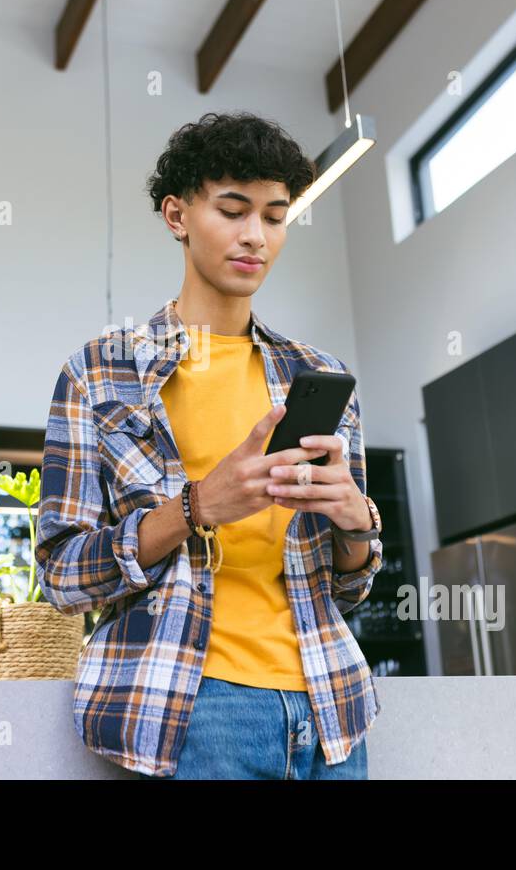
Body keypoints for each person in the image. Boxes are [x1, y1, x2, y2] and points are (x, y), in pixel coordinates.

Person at [35, 111, 384, 779]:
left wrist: (353, 521)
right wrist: (195, 506)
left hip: (332, 706)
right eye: (232, 209)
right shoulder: (101, 373)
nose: (256, 235)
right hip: (196, 708)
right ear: (177, 215)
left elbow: (353, 583)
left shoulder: (318, 375)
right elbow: (62, 574)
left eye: (276, 216)